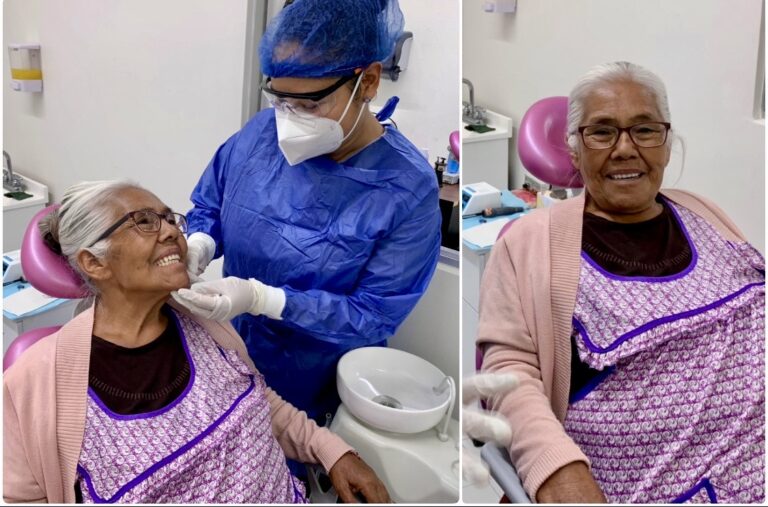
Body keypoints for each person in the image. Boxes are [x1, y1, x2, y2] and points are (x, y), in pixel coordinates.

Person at [477, 62, 764, 504]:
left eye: (645, 130)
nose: (626, 148)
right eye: (603, 132)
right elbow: (506, 373)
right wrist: (556, 469)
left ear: (666, 144)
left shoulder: (703, 212)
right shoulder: (528, 244)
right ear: (575, 150)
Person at [3, 181, 391, 504]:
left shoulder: (204, 323)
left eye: (171, 218)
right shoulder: (33, 385)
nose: (172, 231)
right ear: (94, 263)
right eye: (144, 222)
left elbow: (260, 403)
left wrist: (332, 452)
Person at [173, 0, 441, 426]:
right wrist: (201, 241)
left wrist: (266, 300)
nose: (289, 120)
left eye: (310, 104)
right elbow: (212, 203)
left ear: (368, 81)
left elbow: (373, 314)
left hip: (317, 376)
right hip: (235, 351)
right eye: (280, 100)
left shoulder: (405, 188)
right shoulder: (261, 134)